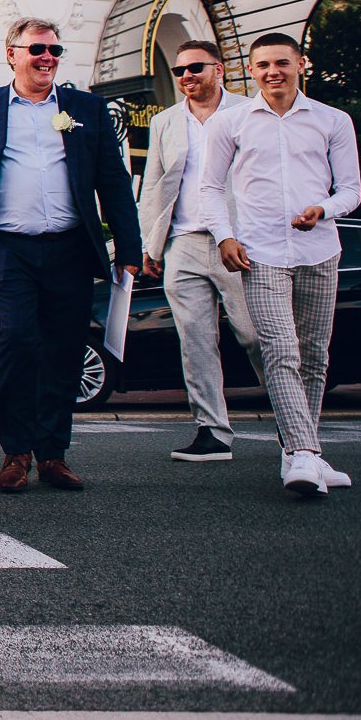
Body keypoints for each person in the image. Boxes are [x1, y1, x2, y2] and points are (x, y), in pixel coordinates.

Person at [0, 18, 140, 495]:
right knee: (15, 341)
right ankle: (16, 453)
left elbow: (113, 182)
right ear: (11, 52)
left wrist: (130, 248)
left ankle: (54, 454)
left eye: (55, 49)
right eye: (37, 48)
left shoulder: (85, 109)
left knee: (63, 349)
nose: (48, 57)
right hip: (8, 248)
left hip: (70, 247)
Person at [198, 33, 361, 498]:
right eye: (264, 64)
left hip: (320, 250)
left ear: (300, 64)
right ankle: (305, 453)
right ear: (251, 70)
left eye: (282, 63)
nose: (274, 72)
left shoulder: (333, 120)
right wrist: (224, 235)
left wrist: (322, 210)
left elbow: (350, 189)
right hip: (260, 252)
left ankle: (301, 453)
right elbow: (209, 187)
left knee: (313, 355)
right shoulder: (231, 123)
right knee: (280, 349)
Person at [137, 40, 265, 462]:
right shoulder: (166, 122)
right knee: (194, 340)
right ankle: (212, 430)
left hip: (239, 240)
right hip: (184, 242)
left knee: (255, 334)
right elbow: (154, 185)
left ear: (220, 69)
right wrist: (149, 245)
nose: (187, 77)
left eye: (196, 68)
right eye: (179, 71)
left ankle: (291, 423)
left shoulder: (251, 112)